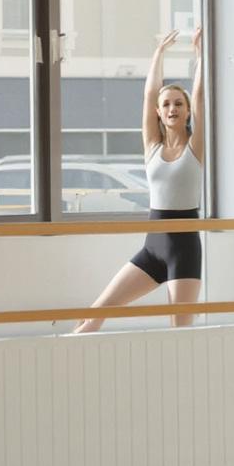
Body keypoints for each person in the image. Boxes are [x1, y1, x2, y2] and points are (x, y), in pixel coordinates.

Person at [76, 31, 205, 332]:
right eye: (167, 105)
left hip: (184, 249)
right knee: (94, 313)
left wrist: (200, 55)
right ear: (159, 113)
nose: (172, 109)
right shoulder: (153, 147)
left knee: (180, 330)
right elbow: (149, 95)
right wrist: (159, 52)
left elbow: (199, 95)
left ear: (187, 112)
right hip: (152, 248)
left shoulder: (195, 147)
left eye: (178, 104)